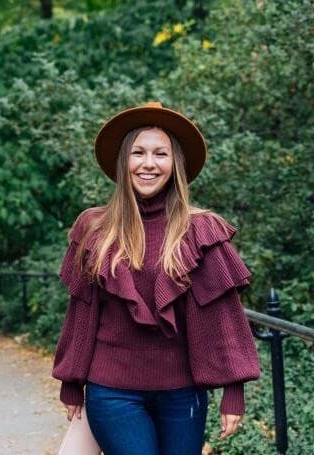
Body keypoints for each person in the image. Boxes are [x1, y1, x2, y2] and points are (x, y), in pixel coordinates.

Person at [52, 102, 260, 455]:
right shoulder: (94, 227)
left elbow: (224, 318)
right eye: (138, 152)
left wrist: (234, 391)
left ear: (175, 164)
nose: (149, 163)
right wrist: (71, 381)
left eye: (160, 154)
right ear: (124, 162)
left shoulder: (201, 229)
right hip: (112, 390)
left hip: (183, 392)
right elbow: (82, 313)